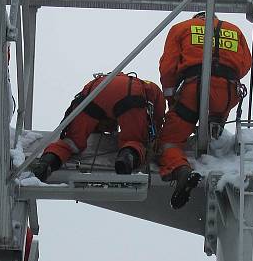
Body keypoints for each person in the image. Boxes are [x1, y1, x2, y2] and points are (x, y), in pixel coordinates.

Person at [158, 12, 252, 208]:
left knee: (169, 141)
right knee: (214, 123)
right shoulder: (235, 31)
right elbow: (245, 65)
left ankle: (181, 170)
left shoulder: (181, 28)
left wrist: (172, 101)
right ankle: (214, 132)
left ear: (196, 19)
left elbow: (168, 68)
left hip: (195, 88)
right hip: (228, 91)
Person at [31, 72, 165, 181]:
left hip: (93, 94)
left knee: (71, 142)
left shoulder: (99, 80)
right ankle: (126, 158)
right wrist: (154, 134)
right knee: (134, 141)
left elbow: (82, 103)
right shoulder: (147, 86)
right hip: (130, 96)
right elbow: (157, 116)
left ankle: (46, 162)